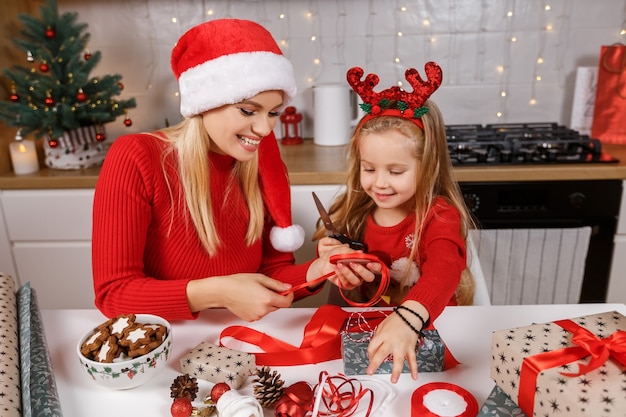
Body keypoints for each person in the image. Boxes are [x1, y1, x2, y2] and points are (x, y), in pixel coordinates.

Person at [91, 18, 371, 322]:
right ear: (205, 103)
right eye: (248, 111)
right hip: (166, 341)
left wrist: (315, 272)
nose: (265, 128)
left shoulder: (262, 167)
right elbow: (114, 294)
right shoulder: (137, 157)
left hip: (245, 340)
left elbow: (272, 274)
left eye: (274, 113)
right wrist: (218, 292)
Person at [314, 62, 476, 383]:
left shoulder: (439, 215)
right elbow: (338, 285)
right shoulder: (354, 213)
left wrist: (409, 316)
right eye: (369, 168)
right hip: (372, 336)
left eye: (396, 171)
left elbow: (446, 265)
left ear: (427, 165)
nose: (380, 183)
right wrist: (333, 260)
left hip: (432, 330)